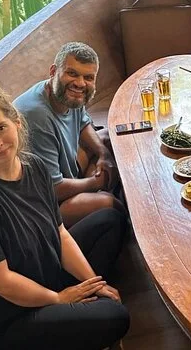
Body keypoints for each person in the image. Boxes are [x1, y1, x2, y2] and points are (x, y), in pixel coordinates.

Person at [0, 77, 129, 350]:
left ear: (16, 122)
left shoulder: (34, 166)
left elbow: (60, 234)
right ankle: (82, 319)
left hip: (41, 274)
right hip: (5, 321)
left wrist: (93, 283)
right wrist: (58, 299)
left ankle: (84, 312)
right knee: (116, 316)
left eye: (0, 128)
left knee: (110, 221)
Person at [14, 42, 122, 226]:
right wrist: (96, 182)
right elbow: (54, 188)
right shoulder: (37, 116)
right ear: (53, 71)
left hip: (64, 172)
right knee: (109, 203)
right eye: (72, 73)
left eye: (88, 77)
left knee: (109, 139)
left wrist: (103, 154)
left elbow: (83, 124)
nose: (80, 83)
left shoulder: (68, 95)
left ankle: (102, 189)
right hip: (43, 205)